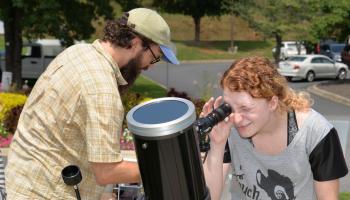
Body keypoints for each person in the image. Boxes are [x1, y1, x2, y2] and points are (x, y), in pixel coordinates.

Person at [5, 8, 179, 199]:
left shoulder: (77, 52)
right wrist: (163, 168)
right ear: (136, 43)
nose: (150, 66)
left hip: (22, 181)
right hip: (45, 193)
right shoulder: (103, 90)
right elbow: (107, 172)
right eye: (155, 57)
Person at [201, 56, 348, 200]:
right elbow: (210, 197)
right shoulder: (228, 127)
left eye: (245, 108)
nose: (237, 119)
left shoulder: (315, 132)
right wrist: (217, 144)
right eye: (230, 108)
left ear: (272, 102)